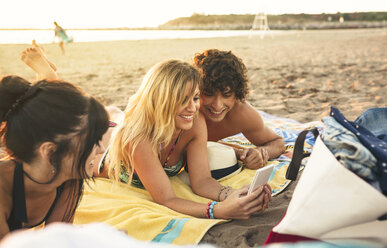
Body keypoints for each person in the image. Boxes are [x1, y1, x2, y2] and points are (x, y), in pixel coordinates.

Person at [105, 59, 272, 219]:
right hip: (102, 150)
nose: (193, 108)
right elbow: (167, 199)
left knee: (119, 116)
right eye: (183, 100)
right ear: (162, 100)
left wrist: (234, 194)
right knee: (112, 120)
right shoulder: (138, 138)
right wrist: (219, 210)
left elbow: (202, 181)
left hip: (146, 124)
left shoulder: (196, 122)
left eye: (195, 98)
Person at [0, 74, 110, 240]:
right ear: (50, 152)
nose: (101, 148)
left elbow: (57, 242)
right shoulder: (3, 189)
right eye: (92, 141)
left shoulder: (67, 175)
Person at [192, 49, 285, 169]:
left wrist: (260, 153)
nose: (217, 105)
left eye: (227, 95)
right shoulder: (185, 111)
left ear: (237, 93)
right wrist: (236, 152)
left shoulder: (241, 114)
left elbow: (277, 143)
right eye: (209, 94)